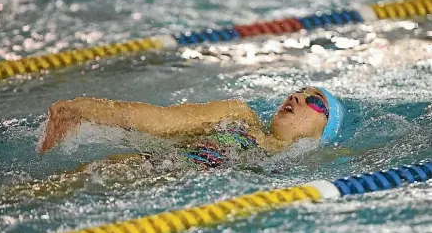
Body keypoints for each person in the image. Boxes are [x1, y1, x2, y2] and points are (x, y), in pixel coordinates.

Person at [38, 87, 345, 170]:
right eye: (299, 91)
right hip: (139, 173)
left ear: (324, 132)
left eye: (315, 102)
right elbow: (158, 121)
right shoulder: (238, 117)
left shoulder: (296, 170)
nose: (296, 96)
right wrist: (78, 108)